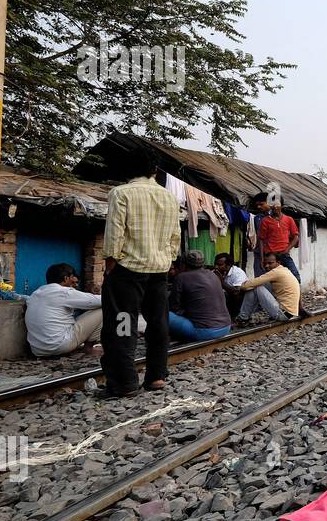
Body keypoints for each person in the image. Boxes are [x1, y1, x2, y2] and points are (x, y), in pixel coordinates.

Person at [101, 147, 181, 397]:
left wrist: (111, 263)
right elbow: (175, 235)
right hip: (158, 270)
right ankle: (156, 376)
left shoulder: (121, 193)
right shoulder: (168, 196)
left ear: (127, 171)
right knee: (158, 324)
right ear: (154, 171)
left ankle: (125, 382)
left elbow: (115, 233)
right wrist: (168, 259)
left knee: (123, 325)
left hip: (128, 271)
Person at [24, 263, 102, 358]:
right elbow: (99, 301)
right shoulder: (64, 292)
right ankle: (88, 348)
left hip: (37, 350)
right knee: (102, 309)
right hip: (60, 345)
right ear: (66, 278)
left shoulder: (36, 294)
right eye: (72, 278)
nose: (74, 282)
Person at [168, 250, 232, 342]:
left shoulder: (181, 277)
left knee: (162, 313)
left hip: (204, 331)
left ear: (184, 265)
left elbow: (174, 307)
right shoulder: (213, 275)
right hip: (225, 327)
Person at [237, 250, 301, 321]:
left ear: (278, 262)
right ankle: (244, 316)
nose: (267, 266)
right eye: (265, 263)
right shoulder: (284, 270)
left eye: (270, 263)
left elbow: (247, 285)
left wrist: (241, 287)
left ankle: (243, 317)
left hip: (283, 314)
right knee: (258, 285)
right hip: (289, 313)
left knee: (257, 287)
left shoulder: (275, 272)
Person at [253, 193, 300, 283]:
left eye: (277, 204)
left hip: (284, 254)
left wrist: (287, 249)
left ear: (281, 205)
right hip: (270, 255)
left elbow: (296, 237)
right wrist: (263, 258)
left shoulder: (289, 219)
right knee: (271, 280)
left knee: (295, 276)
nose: (275, 207)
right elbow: (261, 240)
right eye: (272, 204)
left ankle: (295, 296)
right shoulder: (264, 220)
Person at [212, 252, 248, 319]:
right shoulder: (216, 272)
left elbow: (237, 292)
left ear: (229, 265)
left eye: (219, 265)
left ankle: (234, 317)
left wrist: (221, 282)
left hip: (239, 301)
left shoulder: (238, 273)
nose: (216, 267)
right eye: (215, 264)